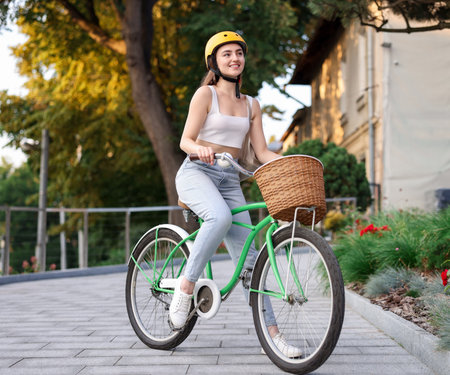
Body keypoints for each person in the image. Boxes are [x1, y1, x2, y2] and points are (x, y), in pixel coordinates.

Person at [170, 31, 302, 358]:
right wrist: (200, 149)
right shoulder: (206, 95)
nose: (234, 58)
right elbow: (185, 140)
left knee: (251, 262)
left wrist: (293, 162)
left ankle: (273, 335)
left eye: (238, 53)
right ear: (214, 61)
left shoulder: (251, 105)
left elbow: (260, 152)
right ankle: (185, 287)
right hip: (197, 171)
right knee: (220, 217)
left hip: (230, 180)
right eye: (226, 54)